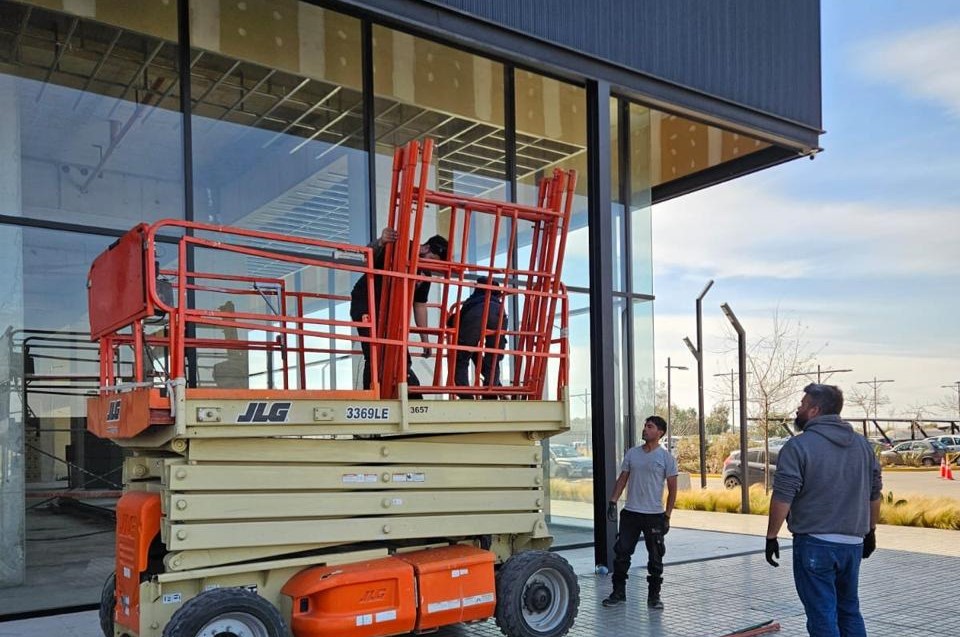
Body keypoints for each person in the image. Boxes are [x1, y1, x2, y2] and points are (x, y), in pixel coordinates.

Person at [765, 383, 882, 637]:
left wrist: (771, 536)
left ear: (815, 410)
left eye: (803, 404)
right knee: (849, 610)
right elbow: (874, 494)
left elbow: (783, 495)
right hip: (852, 543)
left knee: (822, 615)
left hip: (815, 543)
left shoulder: (799, 446)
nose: (798, 408)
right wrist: (870, 530)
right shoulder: (863, 446)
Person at [349, 227, 448, 393]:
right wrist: (381, 242)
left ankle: (398, 392)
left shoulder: (425, 274)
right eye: (431, 259)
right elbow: (369, 256)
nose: (430, 265)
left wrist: (425, 339)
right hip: (367, 302)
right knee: (374, 354)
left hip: (390, 313)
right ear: (425, 248)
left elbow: (419, 305)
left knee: (399, 355)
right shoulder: (401, 247)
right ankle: (372, 397)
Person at [603, 415, 678, 610]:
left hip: (654, 515)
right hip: (631, 513)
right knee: (621, 554)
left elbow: (673, 489)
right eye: (645, 426)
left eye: (650, 427)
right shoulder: (632, 454)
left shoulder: (666, 459)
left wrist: (667, 516)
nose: (645, 429)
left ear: (659, 432)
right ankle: (618, 593)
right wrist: (612, 501)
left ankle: (654, 597)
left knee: (655, 557)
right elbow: (622, 479)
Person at [448, 277, 507, 398]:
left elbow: (456, 321)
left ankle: (466, 396)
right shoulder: (498, 302)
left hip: (476, 312)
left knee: (461, 357)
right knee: (493, 357)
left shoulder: (474, 299)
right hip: (499, 314)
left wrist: (450, 320)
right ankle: (491, 392)